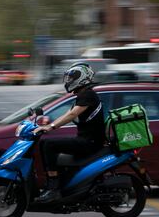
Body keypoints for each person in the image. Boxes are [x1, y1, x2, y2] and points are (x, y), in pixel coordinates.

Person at [34, 63, 105, 203]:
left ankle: (54, 189)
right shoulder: (83, 95)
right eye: (69, 78)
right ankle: (57, 184)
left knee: (48, 145)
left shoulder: (88, 94)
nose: (69, 81)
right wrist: (48, 124)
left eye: (72, 77)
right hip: (86, 140)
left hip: (90, 142)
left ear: (83, 77)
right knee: (45, 144)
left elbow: (72, 115)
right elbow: (67, 114)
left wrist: (51, 127)